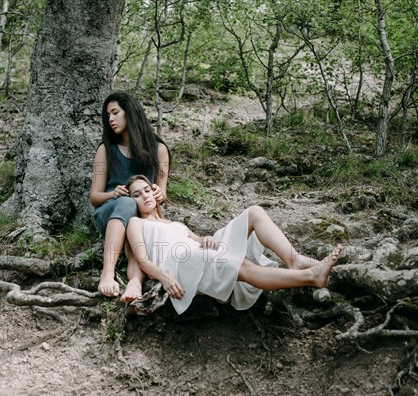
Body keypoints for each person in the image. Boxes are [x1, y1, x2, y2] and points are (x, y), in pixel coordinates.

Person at [124, 175, 342, 315]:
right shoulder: (136, 223)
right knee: (243, 265)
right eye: (136, 194)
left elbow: (198, 240)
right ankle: (311, 276)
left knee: (254, 212)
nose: (144, 195)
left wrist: (205, 239)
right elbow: (142, 259)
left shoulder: (174, 223)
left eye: (146, 190)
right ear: (130, 201)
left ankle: (294, 260)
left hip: (198, 251)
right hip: (181, 263)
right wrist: (165, 277)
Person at [90, 93, 170, 302]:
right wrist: (112, 194)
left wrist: (159, 194)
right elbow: (94, 197)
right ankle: (107, 272)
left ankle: (135, 282)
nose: (111, 119)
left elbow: (162, 193)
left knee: (137, 220)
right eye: (108, 115)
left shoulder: (159, 149)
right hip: (111, 213)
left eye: (115, 113)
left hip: (143, 216)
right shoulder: (105, 150)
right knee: (126, 204)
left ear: (130, 113)